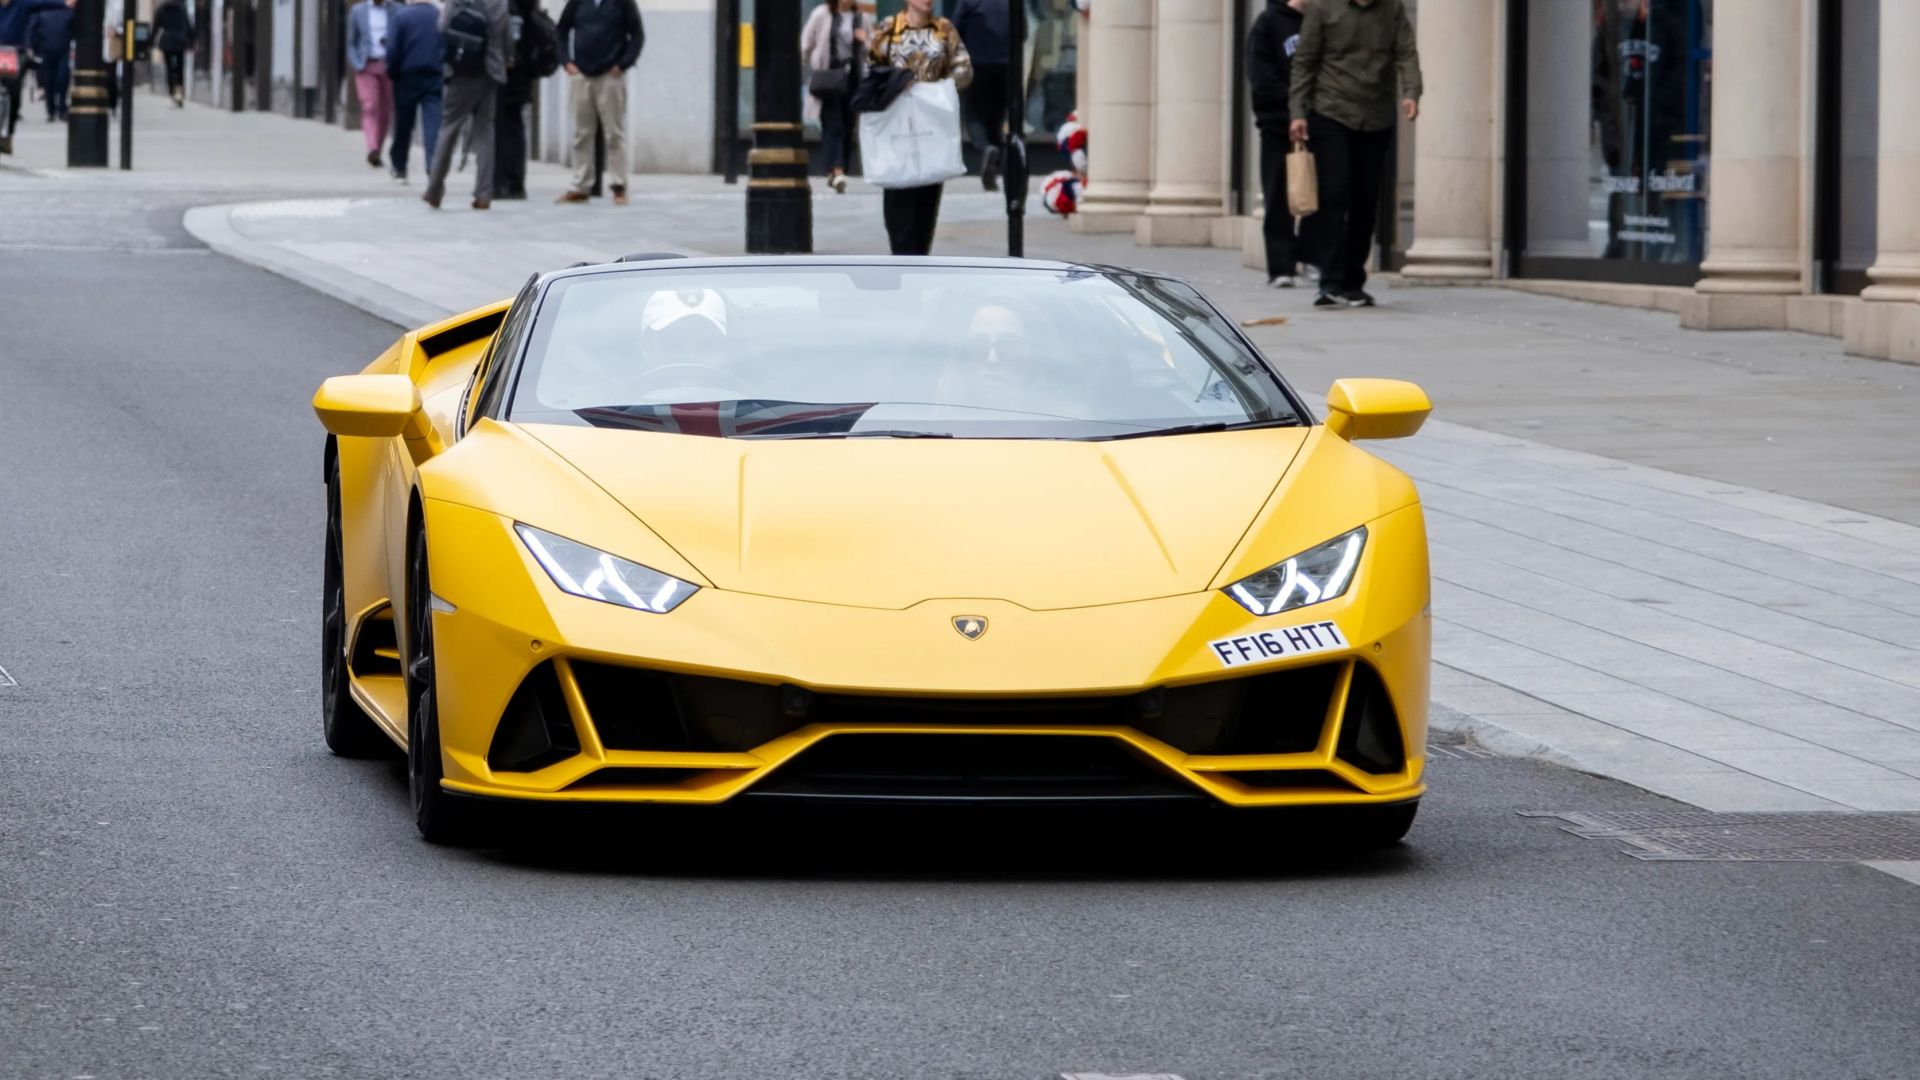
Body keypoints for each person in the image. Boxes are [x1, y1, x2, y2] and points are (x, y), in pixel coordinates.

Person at [1287, 0, 1420, 308]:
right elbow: (1305, 60)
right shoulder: (1323, 7)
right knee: (1334, 193)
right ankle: (1329, 280)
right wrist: (1297, 112)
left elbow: (1406, 52)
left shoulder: (1392, 9)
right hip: (1331, 111)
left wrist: (1411, 92)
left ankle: (1352, 281)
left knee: (1365, 201)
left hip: (1376, 115)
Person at [868, 0, 971, 255]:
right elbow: (871, 69)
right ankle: (901, 255)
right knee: (898, 195)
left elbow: (964, 68)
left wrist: (936, 91)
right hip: (897, 123)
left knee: (927, 195)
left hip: (931, 124)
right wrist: (896, 83)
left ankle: (920, 256)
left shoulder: (943, 29)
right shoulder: (889, 28)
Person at [552, 0, 643, 205]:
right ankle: (581, 185)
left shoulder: (622, 3)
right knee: (581, 134)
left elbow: (637, 35)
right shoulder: (577, 3)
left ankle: (619, 185)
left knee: (614, 133)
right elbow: (561, 31)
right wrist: (566, 62)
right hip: (581, 75)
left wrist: (623, 64)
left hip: (611, 76)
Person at [423, 0, 508, 210]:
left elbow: (443, 27)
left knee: (449, 127)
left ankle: (434, 189)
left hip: (462, 69)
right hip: (491, 70)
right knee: (485, 130)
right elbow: (505, 33)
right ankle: (484, 194)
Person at [1246, 0, 1305, 288]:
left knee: (1323, 193)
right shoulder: (1267, 22)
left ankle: (1313, 257)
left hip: (1317, 122)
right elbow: (1261, 76)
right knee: (1278, 194)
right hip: (1277, 124)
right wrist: (1293, 104)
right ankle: (1281, 266)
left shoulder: (1319, 21)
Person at [800, 0, 865, 194]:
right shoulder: (821, 14)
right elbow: (806, 42)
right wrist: (812, 63)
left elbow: (871, 49)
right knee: (832, 124)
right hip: (830, 77)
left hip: (852, 78)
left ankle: (835, 170)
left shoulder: (860, 17)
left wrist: (863, 40)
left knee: (848, 124)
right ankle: (837, 169)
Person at [493, 0, 556, 199]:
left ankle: (505, 182)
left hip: (510, 74)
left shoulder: (512, 9)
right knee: (513, 126)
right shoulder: (528, 9)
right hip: (521, 75)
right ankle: (514, 182)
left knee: (504, 127)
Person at [948, 0, 1005, 191]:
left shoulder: (969, 2)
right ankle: (993, 171)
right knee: (996, 119)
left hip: (977, 64)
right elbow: (1021, 33)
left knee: (973, 115)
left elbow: (955, 32)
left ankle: (985, 148)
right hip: (1004, 65)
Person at [384, 0, 443, 185]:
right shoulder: (439, 15)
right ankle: (433, 168)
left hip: (406, 77)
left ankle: (400, 167)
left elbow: (393, 49)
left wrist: (392, 72)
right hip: (435, 76)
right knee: (433, 125)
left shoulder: (402, 16)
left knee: (403, 125)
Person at [0, 0, 69, 152]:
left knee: (14, 92)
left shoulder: (21, 5)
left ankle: (8, 134)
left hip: (15, 52)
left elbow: (43, 3)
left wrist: (64, 3)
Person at [346, 0, 395, 167]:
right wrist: (357, 63)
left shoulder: (396, 10)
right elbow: (351, 41)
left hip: (389, 66)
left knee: (385, 111)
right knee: (369, 106)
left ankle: (377, 150)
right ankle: (372, 147)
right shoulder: (357, 11)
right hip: (367, 66)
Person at [26, 0, 72, 120]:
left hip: (62, 49)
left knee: (62, 79)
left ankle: (61, 108)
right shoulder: (43, 9)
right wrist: (30, 46)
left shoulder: (66, 10)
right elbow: (32, 28)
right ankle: (51, 110)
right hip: (46, 50)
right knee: (49, 81)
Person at [153, 0, 193, 106]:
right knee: (179, 69)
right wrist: (191, 39)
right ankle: (179, 93)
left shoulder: (162, 9)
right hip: (180, 41)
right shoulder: (181, 8)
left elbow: (156, 27)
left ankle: (172, 92)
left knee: (169, 68)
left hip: (167, 41)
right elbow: (187, 25)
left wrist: (151, 41)